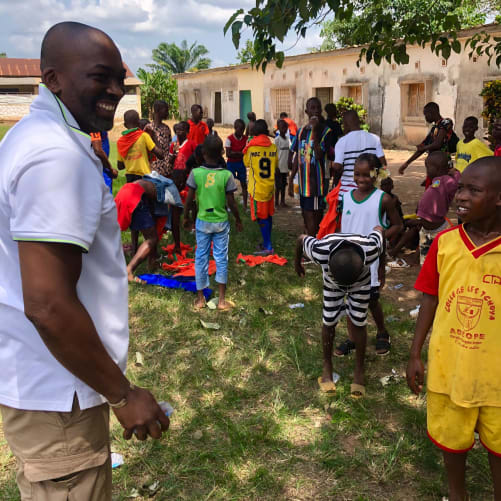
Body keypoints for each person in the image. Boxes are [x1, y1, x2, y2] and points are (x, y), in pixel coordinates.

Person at [0, 22, 169, 501]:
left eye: (119, 77)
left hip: (50, 383)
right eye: (101, 76)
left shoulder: (33, 137)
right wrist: (122, 394)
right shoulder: (55, 156)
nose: (117, 90)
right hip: (60, 395)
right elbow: (48, 303)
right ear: (52, 79)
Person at [407, 156, 501, 501]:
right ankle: (457, 494)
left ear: (498, 198)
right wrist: (415, 353)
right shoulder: (445, 244)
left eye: (473, 190)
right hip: (450, 370)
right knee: (452, 440)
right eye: (460, 188)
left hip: (496, 378)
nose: (460, 196)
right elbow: (429, 298)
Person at [295, 226, 384, 396]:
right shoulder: (320, 251)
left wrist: (382, 267)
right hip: (332, 283)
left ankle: (359, 370)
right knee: (329, 320)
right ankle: (327, 365)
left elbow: (379, 230)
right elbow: (301, 238)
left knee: (359, 320)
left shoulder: (371, 249)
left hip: (360, 283)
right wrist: (297, 263)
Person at [335, 154, 403, 357]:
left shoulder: (383, 199)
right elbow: (342, 227)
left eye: (366, 175)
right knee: (349, 297)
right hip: (348, 260)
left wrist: (381, 235)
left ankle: (382, 331)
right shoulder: (346, 197)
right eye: (357, 174)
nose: (361, 179)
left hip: (371, 261)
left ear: (376, 174)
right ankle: (353, 338)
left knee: (371, 299)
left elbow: (398, 225)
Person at [184, 135, 243, 310]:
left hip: (202, 222)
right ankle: (222, 300)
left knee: (201, 257)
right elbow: (231, 202)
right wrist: (238, 219)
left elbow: (189, 199)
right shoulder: (226, 175)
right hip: (221, 222)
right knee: (221, 258)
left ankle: (200, 299)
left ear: (202, 153)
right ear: (222, 152)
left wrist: (186, 216)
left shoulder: (196, 173)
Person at [389, 151, 459, 265]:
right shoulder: (437, 180)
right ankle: (420, 260)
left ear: (437, 168)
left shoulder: (446, 180)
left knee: (433, 252)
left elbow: (457, 183)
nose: (426, 171)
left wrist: (455, 172)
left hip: (435, 227)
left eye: (428, 168)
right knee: (425, 249)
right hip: (426, 228)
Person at [289, 97, 335, 236]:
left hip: (316, 184)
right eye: (312, 108)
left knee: (314, 217)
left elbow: (320, 154)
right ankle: (311, 241)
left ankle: (313, 245)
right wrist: (291, 179)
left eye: (317, 108)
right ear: (306, 111)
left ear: (321, 111)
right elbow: (297, 155)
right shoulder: (301, 131)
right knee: (305, 214)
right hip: (303, 184)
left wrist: (314, 132)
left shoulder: (326, 132)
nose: (315, 111)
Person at [244, 119, 277, 255]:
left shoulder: (251, 148)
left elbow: (246, 163)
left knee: (261, 217)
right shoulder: (273, 147)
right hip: (269, 187)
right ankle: (266, 242)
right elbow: (275, 165)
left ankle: (268, 246)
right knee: (268, 216)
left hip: (257, 189)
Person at [333, 110, 386, 194]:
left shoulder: (342, 141)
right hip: (371, 191)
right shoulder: (375, 138)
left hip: (347, 192)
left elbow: (337, 167)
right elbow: (383, 164)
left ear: (345, 124)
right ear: (359, 121)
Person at [399, 102, 457, 177]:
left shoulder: (446, 122)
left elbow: (437, 143)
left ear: (432, 112)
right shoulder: (434, 129)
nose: (425, 117)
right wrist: (406, 163)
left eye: (426, 114)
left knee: (442, 186)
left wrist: (424, 147)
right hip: (434, 166)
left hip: (444, 166)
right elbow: (422, 148)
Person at [168, 121, 197, 254]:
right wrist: (172, 155)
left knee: (191, 199)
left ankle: (194, 225)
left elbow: (196, 159)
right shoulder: (173, 145)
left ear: (187, 131)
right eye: (177, 130)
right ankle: (178, 224)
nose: (179, 132)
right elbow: (170, 160)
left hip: (188, 174)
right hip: (176, 175)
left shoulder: (191, 144)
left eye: (182, 130)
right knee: (177, 200)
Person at [117, 109, 164, 183]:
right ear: (139, 123)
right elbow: (161, 155)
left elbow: (120, 166)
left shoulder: (120, 141)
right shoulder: (144, 136)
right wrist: (154, 135)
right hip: (144, 177)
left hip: (129, 178)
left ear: (125, 125)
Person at [225, 118, 248, 210]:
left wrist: (235, 153)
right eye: (240, 129)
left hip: (241, 163)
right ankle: (231, 204)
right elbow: (228, 154)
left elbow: (245, 152)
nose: (242, 131)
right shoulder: (229, 138)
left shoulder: (245, 139)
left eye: (243, 129)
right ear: (235, 128)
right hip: (231, 164)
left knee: (244, 184)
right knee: (230, 185)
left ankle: (245, 205)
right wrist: (240, 153)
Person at [150, 100, 172, 177]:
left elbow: (169, 147)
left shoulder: (166, 128)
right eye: (166, 110)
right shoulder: (149, 128)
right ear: (158, 111)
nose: (167, 113)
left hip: (167, 169)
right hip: (153, 170)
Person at [274, 119, 291, 208]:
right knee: (278, 185)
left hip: (285, 166)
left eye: (285, 128)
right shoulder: (277, 140)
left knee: (284, 184)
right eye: (282, 128)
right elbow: (274, 153)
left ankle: (283, 201)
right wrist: (275, 166)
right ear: (278, 129)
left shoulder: (288, 139)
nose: (284, 129)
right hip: (278, 166)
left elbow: (290, 150)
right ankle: (276, 201)